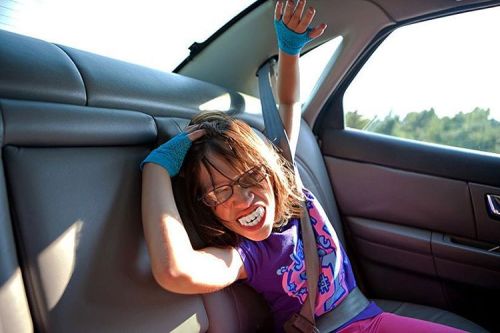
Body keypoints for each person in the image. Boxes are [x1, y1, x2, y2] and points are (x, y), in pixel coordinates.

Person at [141, 1, 466, 332]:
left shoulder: (290, 186)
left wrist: (290, 51)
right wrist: (156, 168)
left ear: (270, 173)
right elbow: (176, 272)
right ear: (208, 207)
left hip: (372, 318)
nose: (243, 199)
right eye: (220, 191)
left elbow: (288, 104)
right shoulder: (248, 255)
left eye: (251, 177)